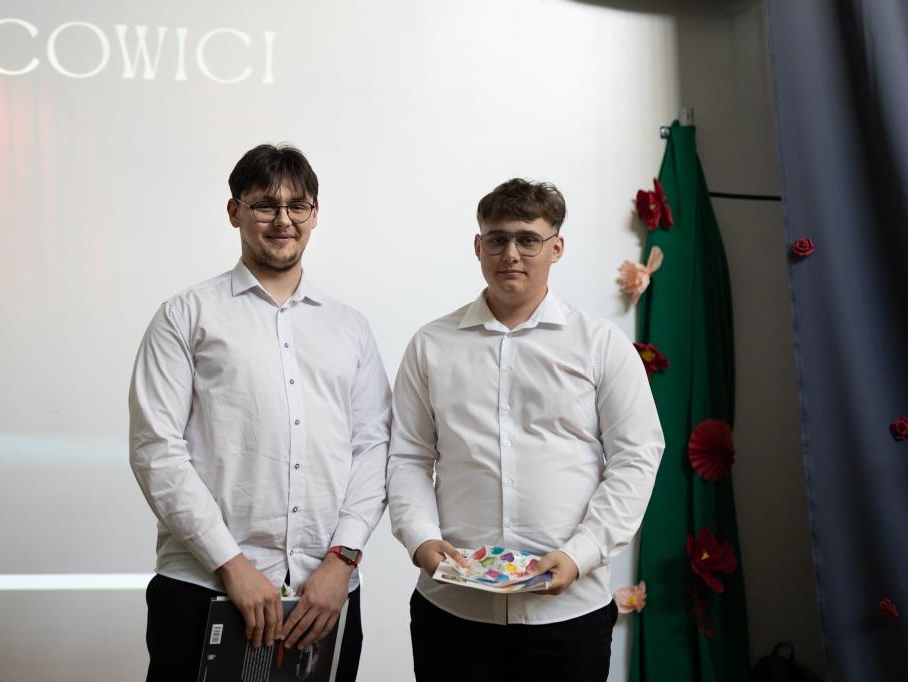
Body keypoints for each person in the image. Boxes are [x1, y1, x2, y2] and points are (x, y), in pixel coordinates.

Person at [129, 143, 391, 682]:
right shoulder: (186, 315)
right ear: (235, 212)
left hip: (324, 596)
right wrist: (231, 564)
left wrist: (341, 562)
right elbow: (156, 449)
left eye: (297, 205)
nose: (283, 220)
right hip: (204, 587)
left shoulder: (350, 326)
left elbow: (374, 447)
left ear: (315, 214)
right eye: (265, 205)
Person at [386, 178, 665, 681]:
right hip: (452, 610)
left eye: (528, 239)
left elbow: (636, 457)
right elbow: (407, 456)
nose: (510, 253)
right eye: (497, 239)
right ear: (478, 246)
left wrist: (581, 555)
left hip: (569, 615)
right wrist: (421, 539)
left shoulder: (601, 344)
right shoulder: (431, 345)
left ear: (556, 248)